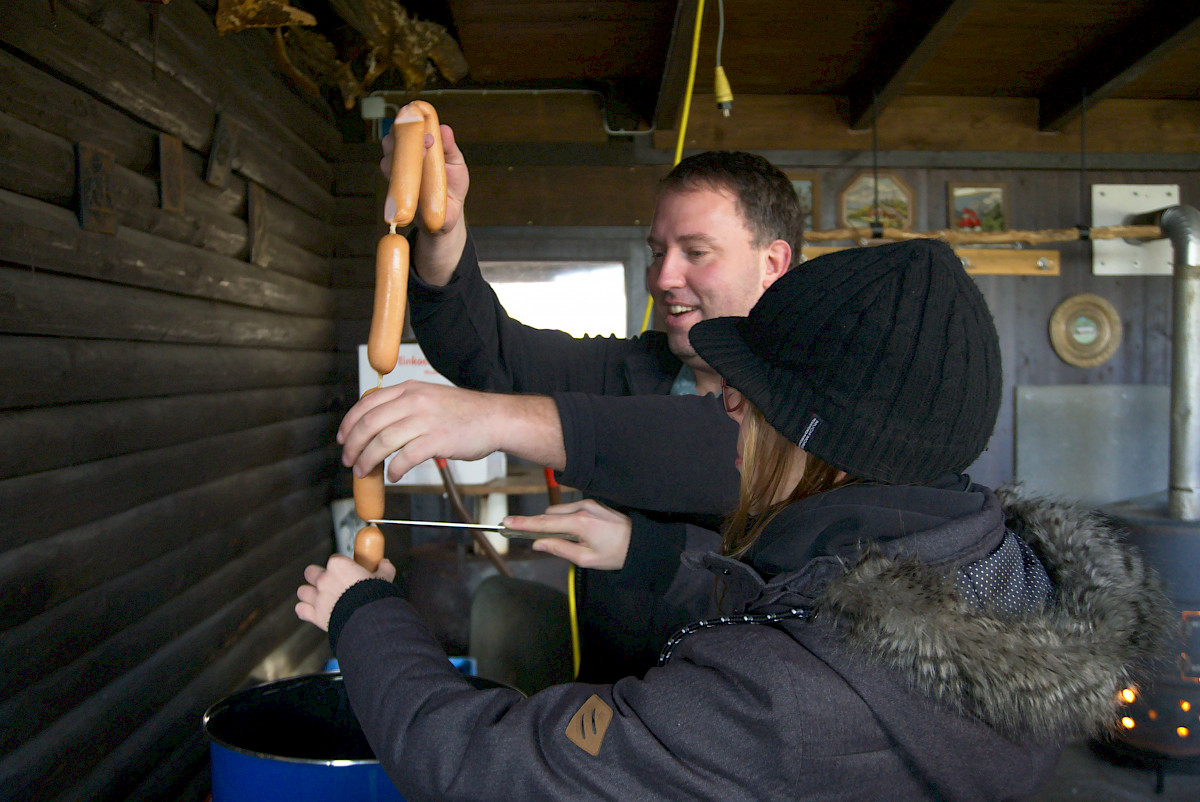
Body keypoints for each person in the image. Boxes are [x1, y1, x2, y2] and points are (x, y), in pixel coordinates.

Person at [299, 238, 1169, 800]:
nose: (726, 415)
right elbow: (813, 608)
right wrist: (644, 553)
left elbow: (493, 773)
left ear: (815, 439)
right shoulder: (992, 560)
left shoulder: (779, 701)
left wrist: (364, 618)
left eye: (746, 404)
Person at [338, 124, 804, 680]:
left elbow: (722, 448)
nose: (664, 277)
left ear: (773, 262)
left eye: (696, 253)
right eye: (657, 252)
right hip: (610, 700)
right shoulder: (637, 367)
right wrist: (443, 227)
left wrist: (494, 418)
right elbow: (489, 355)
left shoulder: (815, 395)